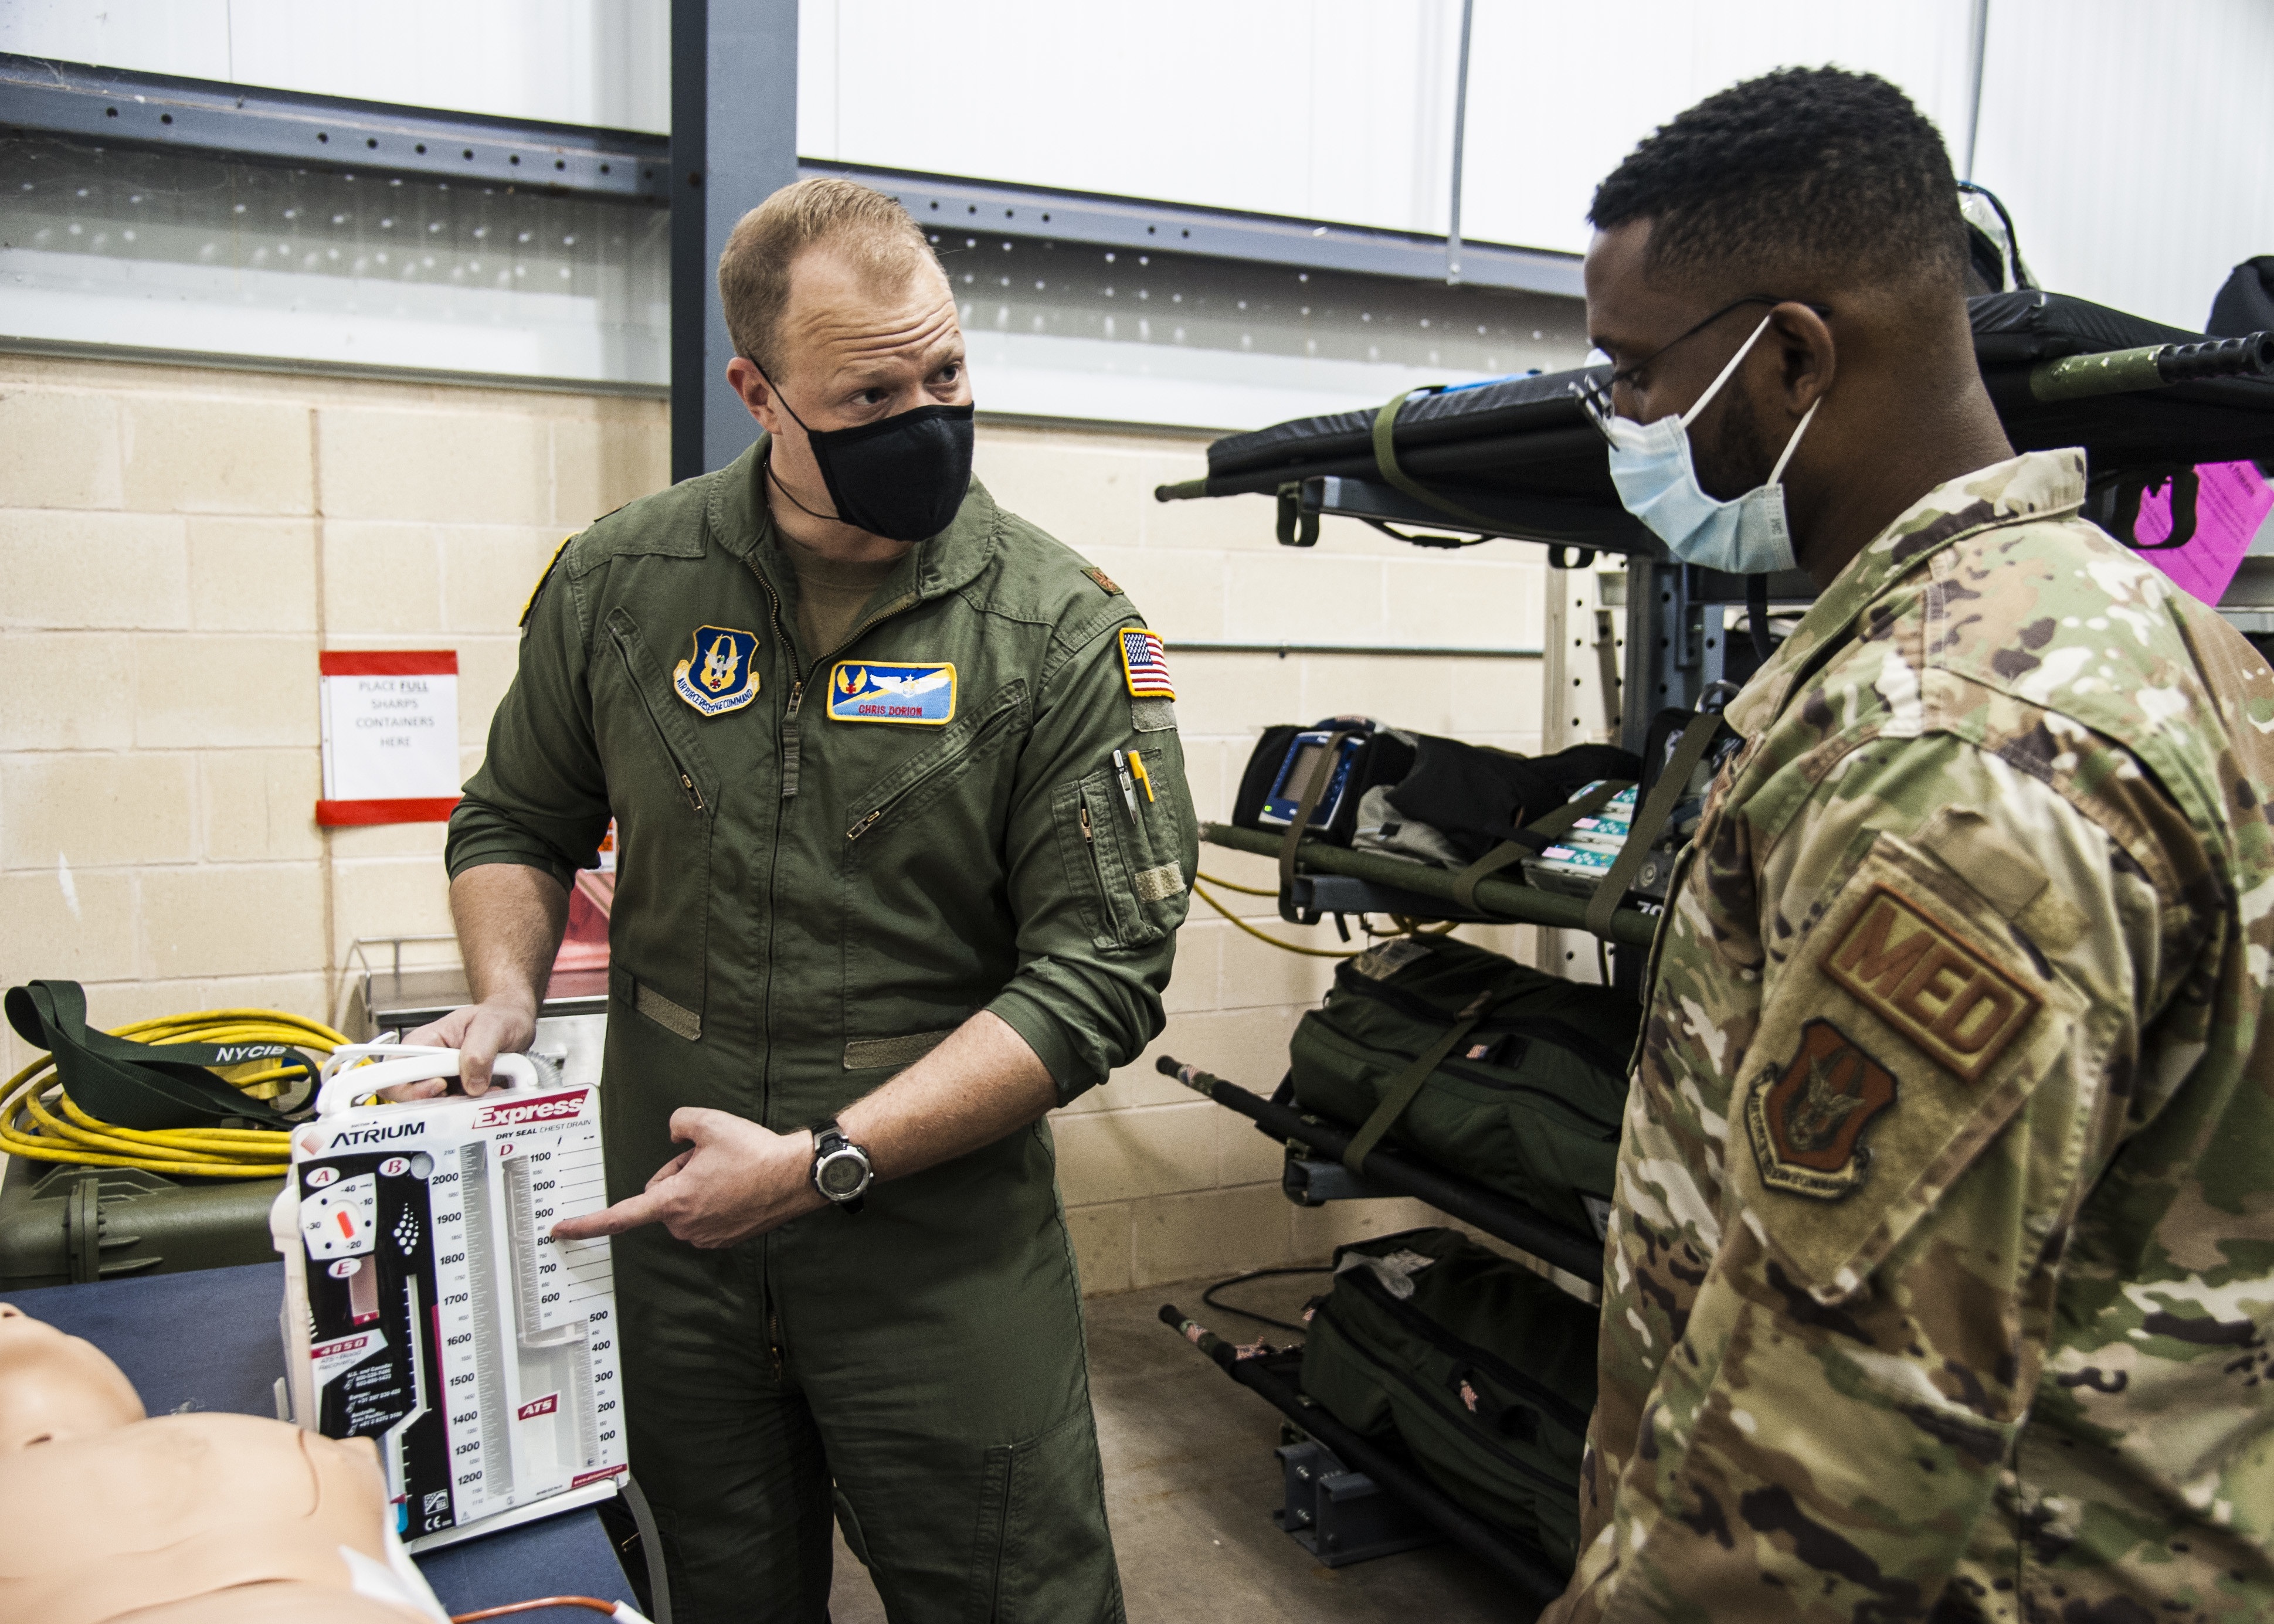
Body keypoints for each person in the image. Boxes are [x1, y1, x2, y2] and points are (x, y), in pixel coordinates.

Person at [413, 177, 1193, 1622]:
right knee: (715, 1586)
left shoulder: (1057, 630)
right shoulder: (622, 582)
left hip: (935, 1263)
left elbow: (1098, 974)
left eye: (946, 371)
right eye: (871, 391)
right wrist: (509, 983)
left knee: (1012, 1594)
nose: (926, 417)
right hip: (680, 1233)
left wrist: (822, 1159)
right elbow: (514, 817)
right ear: (758, 392)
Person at [1553, 67, 2274, 1622]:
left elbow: (1828, 1441)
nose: (1616, 419)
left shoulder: (1945, 745)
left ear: (1794, 350)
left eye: (1630, 371)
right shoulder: (2135, 635)